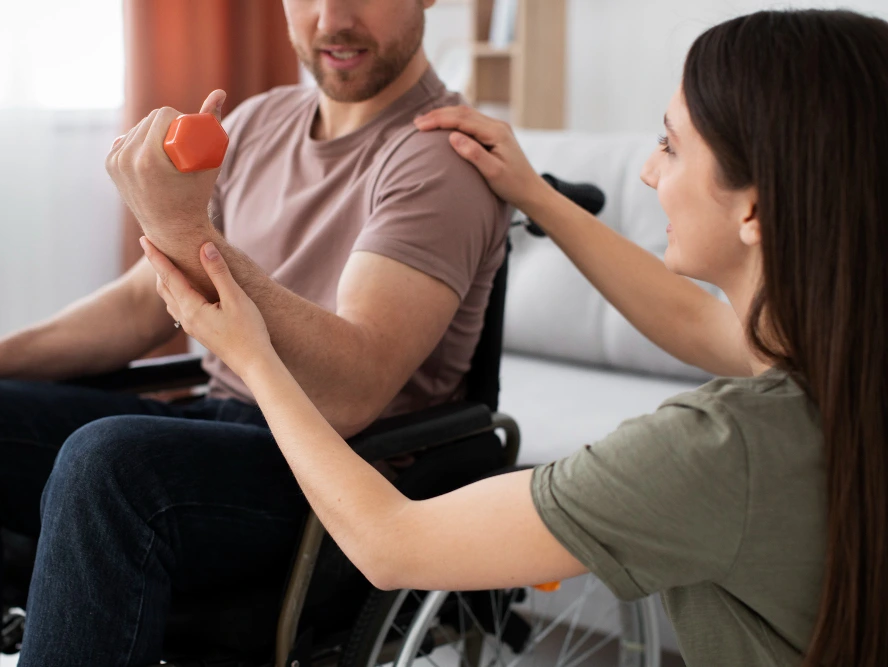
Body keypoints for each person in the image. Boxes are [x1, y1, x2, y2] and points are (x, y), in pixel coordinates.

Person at [142, 9, 888, 667]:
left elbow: (391, 543)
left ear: (753, 211)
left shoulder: (721, 451)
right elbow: (703, 323)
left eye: (671, 146)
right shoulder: (840, 369)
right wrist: (536, 195)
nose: (649, 171)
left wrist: (253, 351)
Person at [0, 1, 508, 665]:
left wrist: (191, 233)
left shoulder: (441, 160)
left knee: (111, 462)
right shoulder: (261, 120)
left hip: (333, 470)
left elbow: (351, 391)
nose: (332, 19)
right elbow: (140, 304)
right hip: (224, 426)